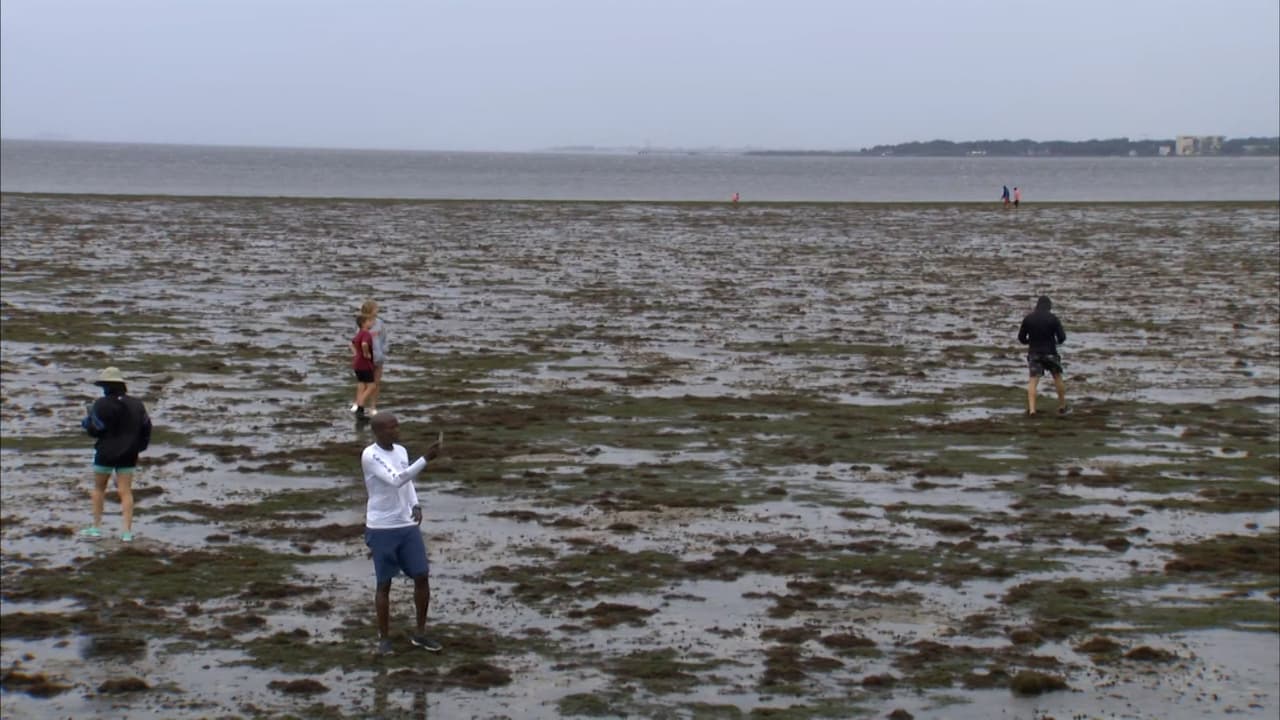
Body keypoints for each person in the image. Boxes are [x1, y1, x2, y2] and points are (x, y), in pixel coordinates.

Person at [362, 413, 443, 655]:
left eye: (397, 426)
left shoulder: (401, 451)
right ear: (377, 432)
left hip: (406, 525)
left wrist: (415, 504)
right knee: (384, 583)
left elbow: (407, 482)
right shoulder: (370, 456)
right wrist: (427, 458)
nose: (396, 431)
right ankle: (384, 639)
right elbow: (397, 479)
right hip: (382, 527)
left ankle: (420, 633)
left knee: (421, 576)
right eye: (390, 428)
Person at [80, 367, 152, 541]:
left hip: (105, 452)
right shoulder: (137, 404)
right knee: (125, 491)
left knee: (99, 489)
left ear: (106, 386)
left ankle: (96, 527)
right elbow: (146, 427)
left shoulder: (100, 404)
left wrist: (86, 422)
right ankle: (126, 531)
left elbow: (96, 429)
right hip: (129, 453)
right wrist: (139, 447)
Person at [1018, 295, 1068, 415]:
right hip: (1050, 352)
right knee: (1057, 377)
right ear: (1049, 307)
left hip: (1034, 353)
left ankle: (1032, 409)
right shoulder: (1053, 318)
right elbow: (1062, 337)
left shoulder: (1028, 319)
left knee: (1033, 381)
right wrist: (1056, 342)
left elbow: (1021, 338)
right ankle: (1062, 405)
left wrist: (1029, 342)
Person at [360, 300, 389, 415]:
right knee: (365, 384)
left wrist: (383, 351)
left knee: (376, 383)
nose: (378, 310)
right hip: (366, 358)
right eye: (376, 308)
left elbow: (384, 339)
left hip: (379, 357)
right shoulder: (362, 324)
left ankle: (373, 407)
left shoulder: (380, 323)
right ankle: (360, 405)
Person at [350, 314, 376, 418]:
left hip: (357, 364)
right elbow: (364, 344)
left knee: (361, 384)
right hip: (365, 364)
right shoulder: (366, 334)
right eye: (370, 321)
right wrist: (366, 354)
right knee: (371, 386)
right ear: (364, 323)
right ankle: (360, 403)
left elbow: (351, 343)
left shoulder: (359, 333)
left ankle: (360, 409)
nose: (372, 323)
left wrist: (356, 353)